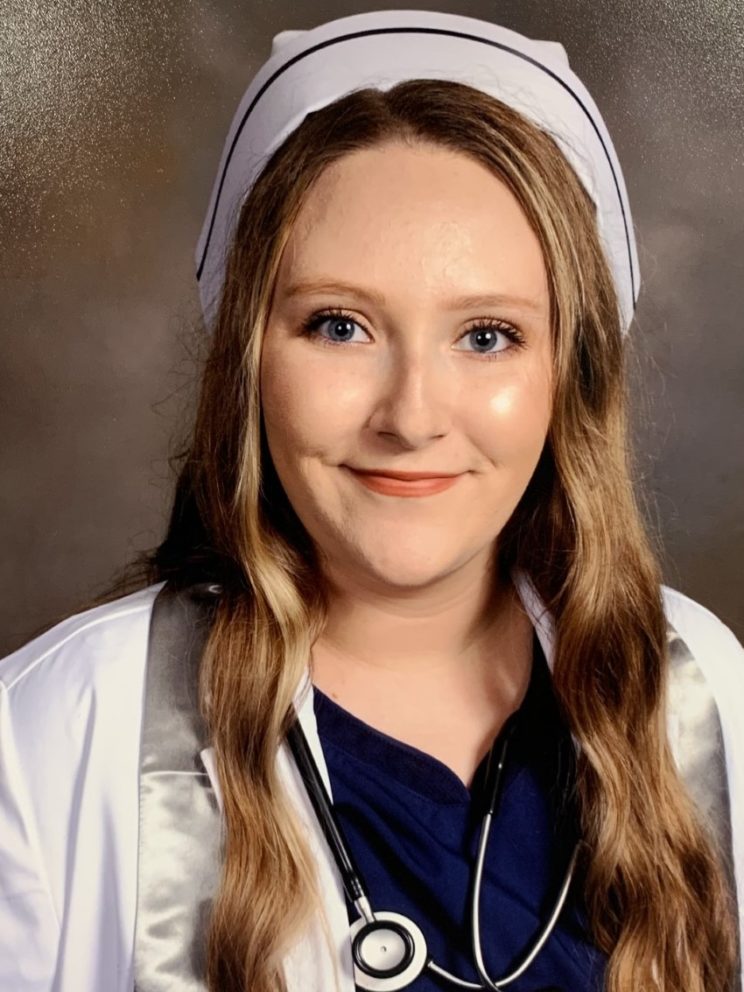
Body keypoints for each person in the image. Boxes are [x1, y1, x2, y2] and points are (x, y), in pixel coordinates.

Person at [0, 8, 741, 992]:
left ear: (571, 373)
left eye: (487, 335)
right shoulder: (47, 734)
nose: (412, 415)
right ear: (249, 361)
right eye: (340, 325)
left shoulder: (704, 695)